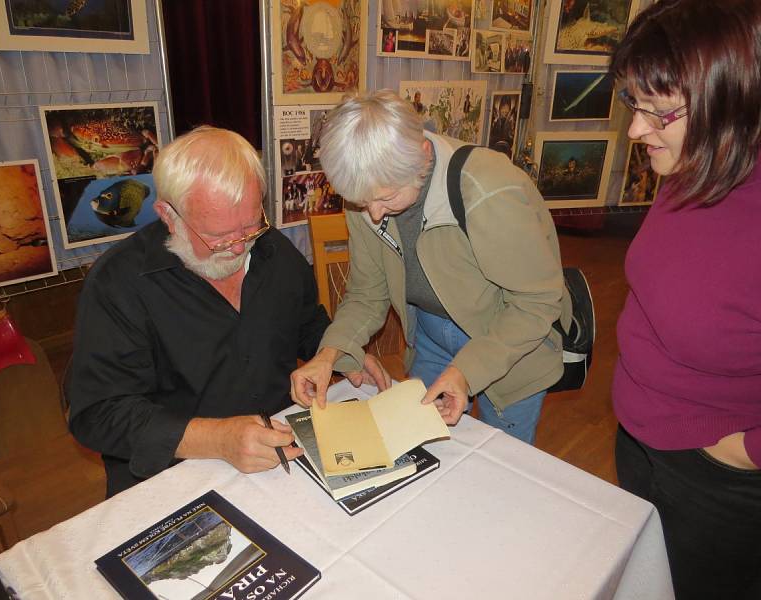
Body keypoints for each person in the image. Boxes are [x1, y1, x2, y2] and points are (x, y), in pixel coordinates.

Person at [66, 126, 385, 497]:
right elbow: (97, 414)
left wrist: (338, 352)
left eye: (250, 226)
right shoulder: (118, 284)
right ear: (169, 215)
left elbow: (305, 323)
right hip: (174, 479)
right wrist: (217, 439)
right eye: (218, 236)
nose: (238, 248)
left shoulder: (274, 252)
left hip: (277, 460)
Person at [290, 90, 570, 444]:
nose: (373, 214)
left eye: (386, 198)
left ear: (422, 156)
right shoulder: (367, 193)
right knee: (430, 449)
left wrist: (467, 371)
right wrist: (328, 354)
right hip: (431, 333)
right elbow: (366, 294)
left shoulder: (488, 190)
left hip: (511, 340)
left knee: (502, 463)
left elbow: (537, 302)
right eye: (361, 201)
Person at [608, 1, 761, 598]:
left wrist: (742, 451)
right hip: (641, 436)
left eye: (658, 112)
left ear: (733, 101)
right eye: (633, 103)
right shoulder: (693, 164)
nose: (635, 130)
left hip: (717, 477)